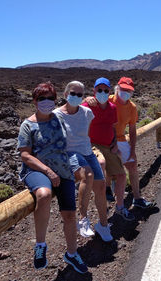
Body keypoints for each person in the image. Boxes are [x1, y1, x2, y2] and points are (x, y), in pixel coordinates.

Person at [17, 82, 87, 273]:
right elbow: (25, 155)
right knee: (44, 194)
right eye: (42, 98)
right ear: (34, 101)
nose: (46, 102)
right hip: (37, 170)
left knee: (70, 215)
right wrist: (48, 171)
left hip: (63, 170)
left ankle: (72, 253)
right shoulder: (28, 125)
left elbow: (67, 145)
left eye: (50, 98)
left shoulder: (58, 118)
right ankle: (40, 246)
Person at [54, 81, 112, 242]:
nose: (76, 97)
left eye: (80, 95)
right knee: (87, 174)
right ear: (65, 95)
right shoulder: (57, 115)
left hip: (87, 152)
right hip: (70, 153)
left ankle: (103, 224)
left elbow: (85, 134)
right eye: (73, 94)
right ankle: (83, 219)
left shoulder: (86, 112)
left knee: (100, 186)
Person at [82, 77, 135, 221]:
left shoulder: (112, 107)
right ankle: (103, 199)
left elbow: (112, 127)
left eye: (106, 90)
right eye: (99, 90)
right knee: (101, 164)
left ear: (109, 91)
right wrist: (84, 99)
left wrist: (115, 143)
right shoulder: (88, 105)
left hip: (109, 144)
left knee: (122, 175)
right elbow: (74, 110)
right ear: (94, 91)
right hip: (92, 144)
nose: (102, 93)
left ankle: (119, 207)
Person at [109, 77, 154, 210]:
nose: (125, 92)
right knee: (112, 170)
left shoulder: (132, 107)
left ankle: (137, 198)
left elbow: (133, 131)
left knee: (133, 165)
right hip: (105, 139)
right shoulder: (108, 100)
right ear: (117, 88)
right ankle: (111, 200)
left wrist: (133, 150)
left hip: (121, 139)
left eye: (128, 90)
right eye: (123, 89)